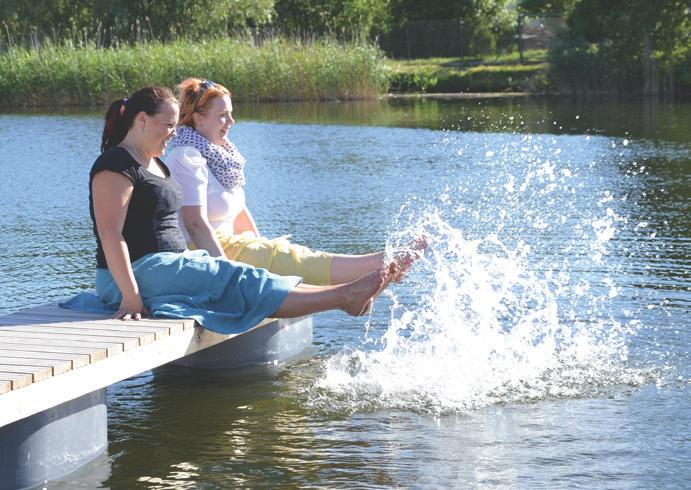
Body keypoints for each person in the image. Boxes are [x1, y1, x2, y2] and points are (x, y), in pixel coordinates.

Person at [76, 85, 402, 334]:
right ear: (142, 120)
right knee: (231, 275)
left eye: (176, 125)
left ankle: (343, 292)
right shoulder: (115, 165)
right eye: (169, 125)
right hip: (132, 274)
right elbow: (110, 233)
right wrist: (130, 297)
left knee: (243, 273)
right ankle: (343, 297)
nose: (174, 133)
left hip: (170, 264)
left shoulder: (155, 162)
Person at [166, 78, 426, 286]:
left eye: (231, 114)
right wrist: (224, 275)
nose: (231, 122)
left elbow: (240, 212)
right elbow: (195, 223)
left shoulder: (222, 156)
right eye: (223, 115)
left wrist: (260, 243)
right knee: (284, 257)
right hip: (200, 251)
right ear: (198, 118)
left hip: (230, 245)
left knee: (279, 252)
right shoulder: (186, 156)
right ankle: (380, 265)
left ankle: (364, 281)